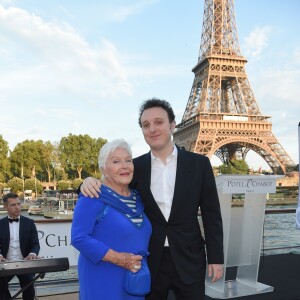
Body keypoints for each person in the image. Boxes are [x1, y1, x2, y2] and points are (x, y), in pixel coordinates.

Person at [80, 98, 224, 300]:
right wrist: (85, 182)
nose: (152, 129)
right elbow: (108, 185)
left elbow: (212, 215)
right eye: (146, 125)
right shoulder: (134, 168)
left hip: (190, 258)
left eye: (158, 122)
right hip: (149, 260)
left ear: (172, 125)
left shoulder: (199, 165)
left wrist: (216, 258)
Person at [71, 139, 152, 300]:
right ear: (103, 169)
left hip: (135, 280)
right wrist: (120, 259)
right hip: (102, 278)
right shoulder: (92, 196)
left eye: (128, 160)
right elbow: (79, 238)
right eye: (116, 161)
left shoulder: (139, 197)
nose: (124, 166)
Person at [0, 192, 40, 300]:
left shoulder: (29, 223)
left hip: (24, 263)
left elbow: (35, 244)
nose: (17, 207)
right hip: (5, 264)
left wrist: (32, 253)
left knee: (29, 285)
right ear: (5, 207)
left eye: (18, 204)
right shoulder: (0, 224)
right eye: (13, 205)